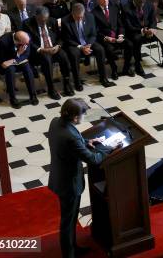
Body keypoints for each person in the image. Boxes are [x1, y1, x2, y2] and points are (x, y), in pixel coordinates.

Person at [48, 98, 118, 258]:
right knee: (68, 221)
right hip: (68, 183)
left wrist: (87, 142)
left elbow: (70, 141)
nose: (84, 117)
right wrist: (109, 149)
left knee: (70, 218)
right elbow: (93, 159)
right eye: (83, 114)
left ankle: (72, 248)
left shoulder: (55, 122)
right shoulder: (70, 137)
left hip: (59, 176)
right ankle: (69, 254)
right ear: (74, 118)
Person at [24, 6, 74, 99]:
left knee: (64, 56)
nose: (43, 23)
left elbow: (60, 37)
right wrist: (41, 49)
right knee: (46, 60)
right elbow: (28, 42)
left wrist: (58, 46)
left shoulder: (52, 21)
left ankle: (67, 83)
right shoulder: (27, 23)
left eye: (45, 20)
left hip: (53, 47)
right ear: (36, 16)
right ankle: (51, 88)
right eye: (41, 20)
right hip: (39, 51)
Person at [61, 3, 110, 89]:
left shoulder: (90, 16)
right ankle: (77, 82)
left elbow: (93, 34)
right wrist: (81, 47)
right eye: (77, 17)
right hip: (75, 44)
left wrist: (89, 45)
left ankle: (103, 78)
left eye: (81, 17)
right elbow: (67, 39)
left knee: (100, 50)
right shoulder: (65, 21)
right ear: (72, 13)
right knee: (74, 54)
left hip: (88, 41)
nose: (80, 19)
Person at [124, 0, 163, 73]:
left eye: (143, 2)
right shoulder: (126, 8)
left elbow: (153, 20)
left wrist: (151, 29)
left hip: (148, 29)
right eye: (140, 2)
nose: (142, 5)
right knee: (137, 39)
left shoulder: (149, 4)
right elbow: (128, 27)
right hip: (135, 32)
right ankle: (137, 64)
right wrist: (142, 31)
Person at [92, 0, 133, 79]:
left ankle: (126, 67)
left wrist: (121, 35)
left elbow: (120, 24)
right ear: (98, 0)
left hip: (117, 37)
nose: (105, 0)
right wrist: (106, 38)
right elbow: (95, 31)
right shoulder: (94, 13)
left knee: (129, 45)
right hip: (106, 39)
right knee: (109, 49)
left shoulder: (114, 8)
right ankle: (114, 69)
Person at [0, 31, 37, 108]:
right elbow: (3, 60)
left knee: (27, 68)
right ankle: (13, 99)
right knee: (10, 70)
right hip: (4, 61)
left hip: (17, 60)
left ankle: (33, 95)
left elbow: (26, 54)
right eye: (24, 43)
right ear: (18, 41)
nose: (26, 44)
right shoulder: (3, 41)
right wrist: (18, 54)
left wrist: (16, 58)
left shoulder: (26, 37)